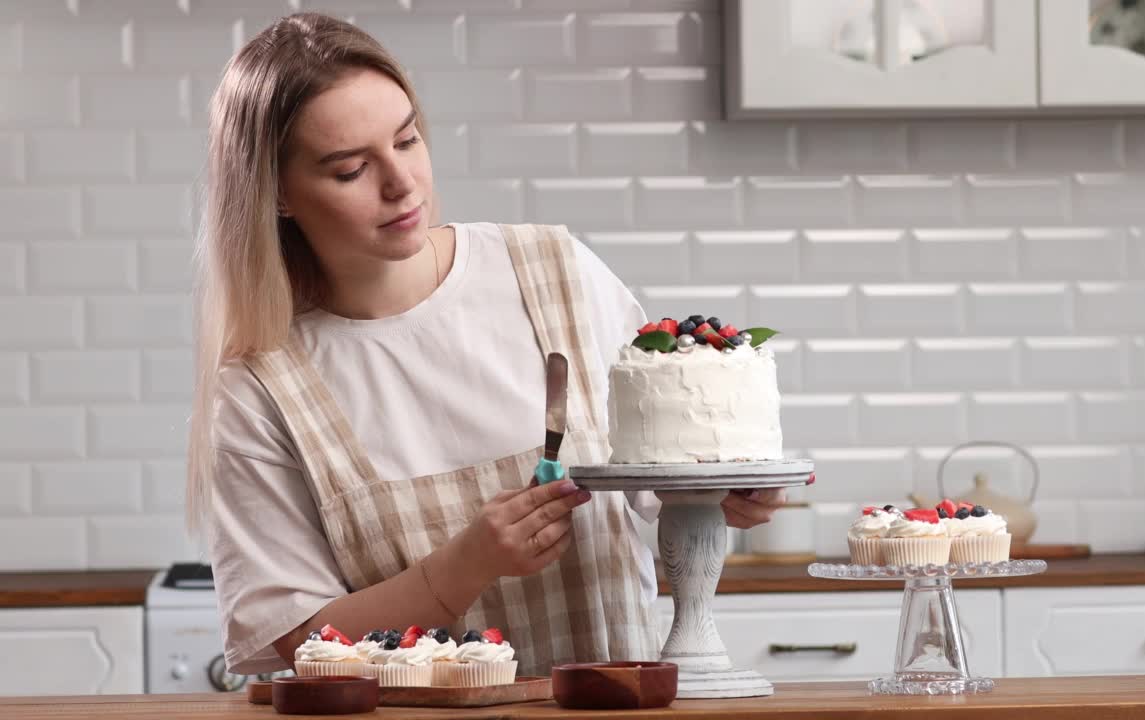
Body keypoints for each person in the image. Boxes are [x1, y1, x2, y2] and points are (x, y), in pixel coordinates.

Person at [186, 12, 787, 678]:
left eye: (408, 139)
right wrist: (461, 568)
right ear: (278, 195)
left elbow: (660, 475)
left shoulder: (555, 270)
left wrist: (724, 493)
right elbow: (294, 641)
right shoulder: (262, 389)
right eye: (351, 169)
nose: (401, 182)